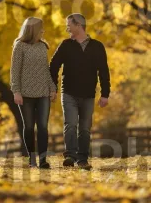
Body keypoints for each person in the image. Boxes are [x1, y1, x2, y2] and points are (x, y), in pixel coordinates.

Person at [50, 13, 111, 170]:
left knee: (85, 128)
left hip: (89, 95)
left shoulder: (97, 46)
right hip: (68, 92)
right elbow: (53, 66)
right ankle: (70, 155)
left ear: (78, 25)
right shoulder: (65, 45)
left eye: (69, 24)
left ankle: (82, 159)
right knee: (70, 124)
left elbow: (104, 71)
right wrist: (53, 88)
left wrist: (105, 94)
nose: (67, 28)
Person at [10, 17, 57, 168]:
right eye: (41, 27)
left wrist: (52, 88)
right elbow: (14, 71)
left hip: (43, 92)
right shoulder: (20, 46)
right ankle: (32, 159)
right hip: (25, 93)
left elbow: (45, 69)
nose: (43, 30)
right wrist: (16, 91)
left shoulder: (43, 46)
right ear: (33, 29)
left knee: (43, 126)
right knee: (29, 127)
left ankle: (43, 160)